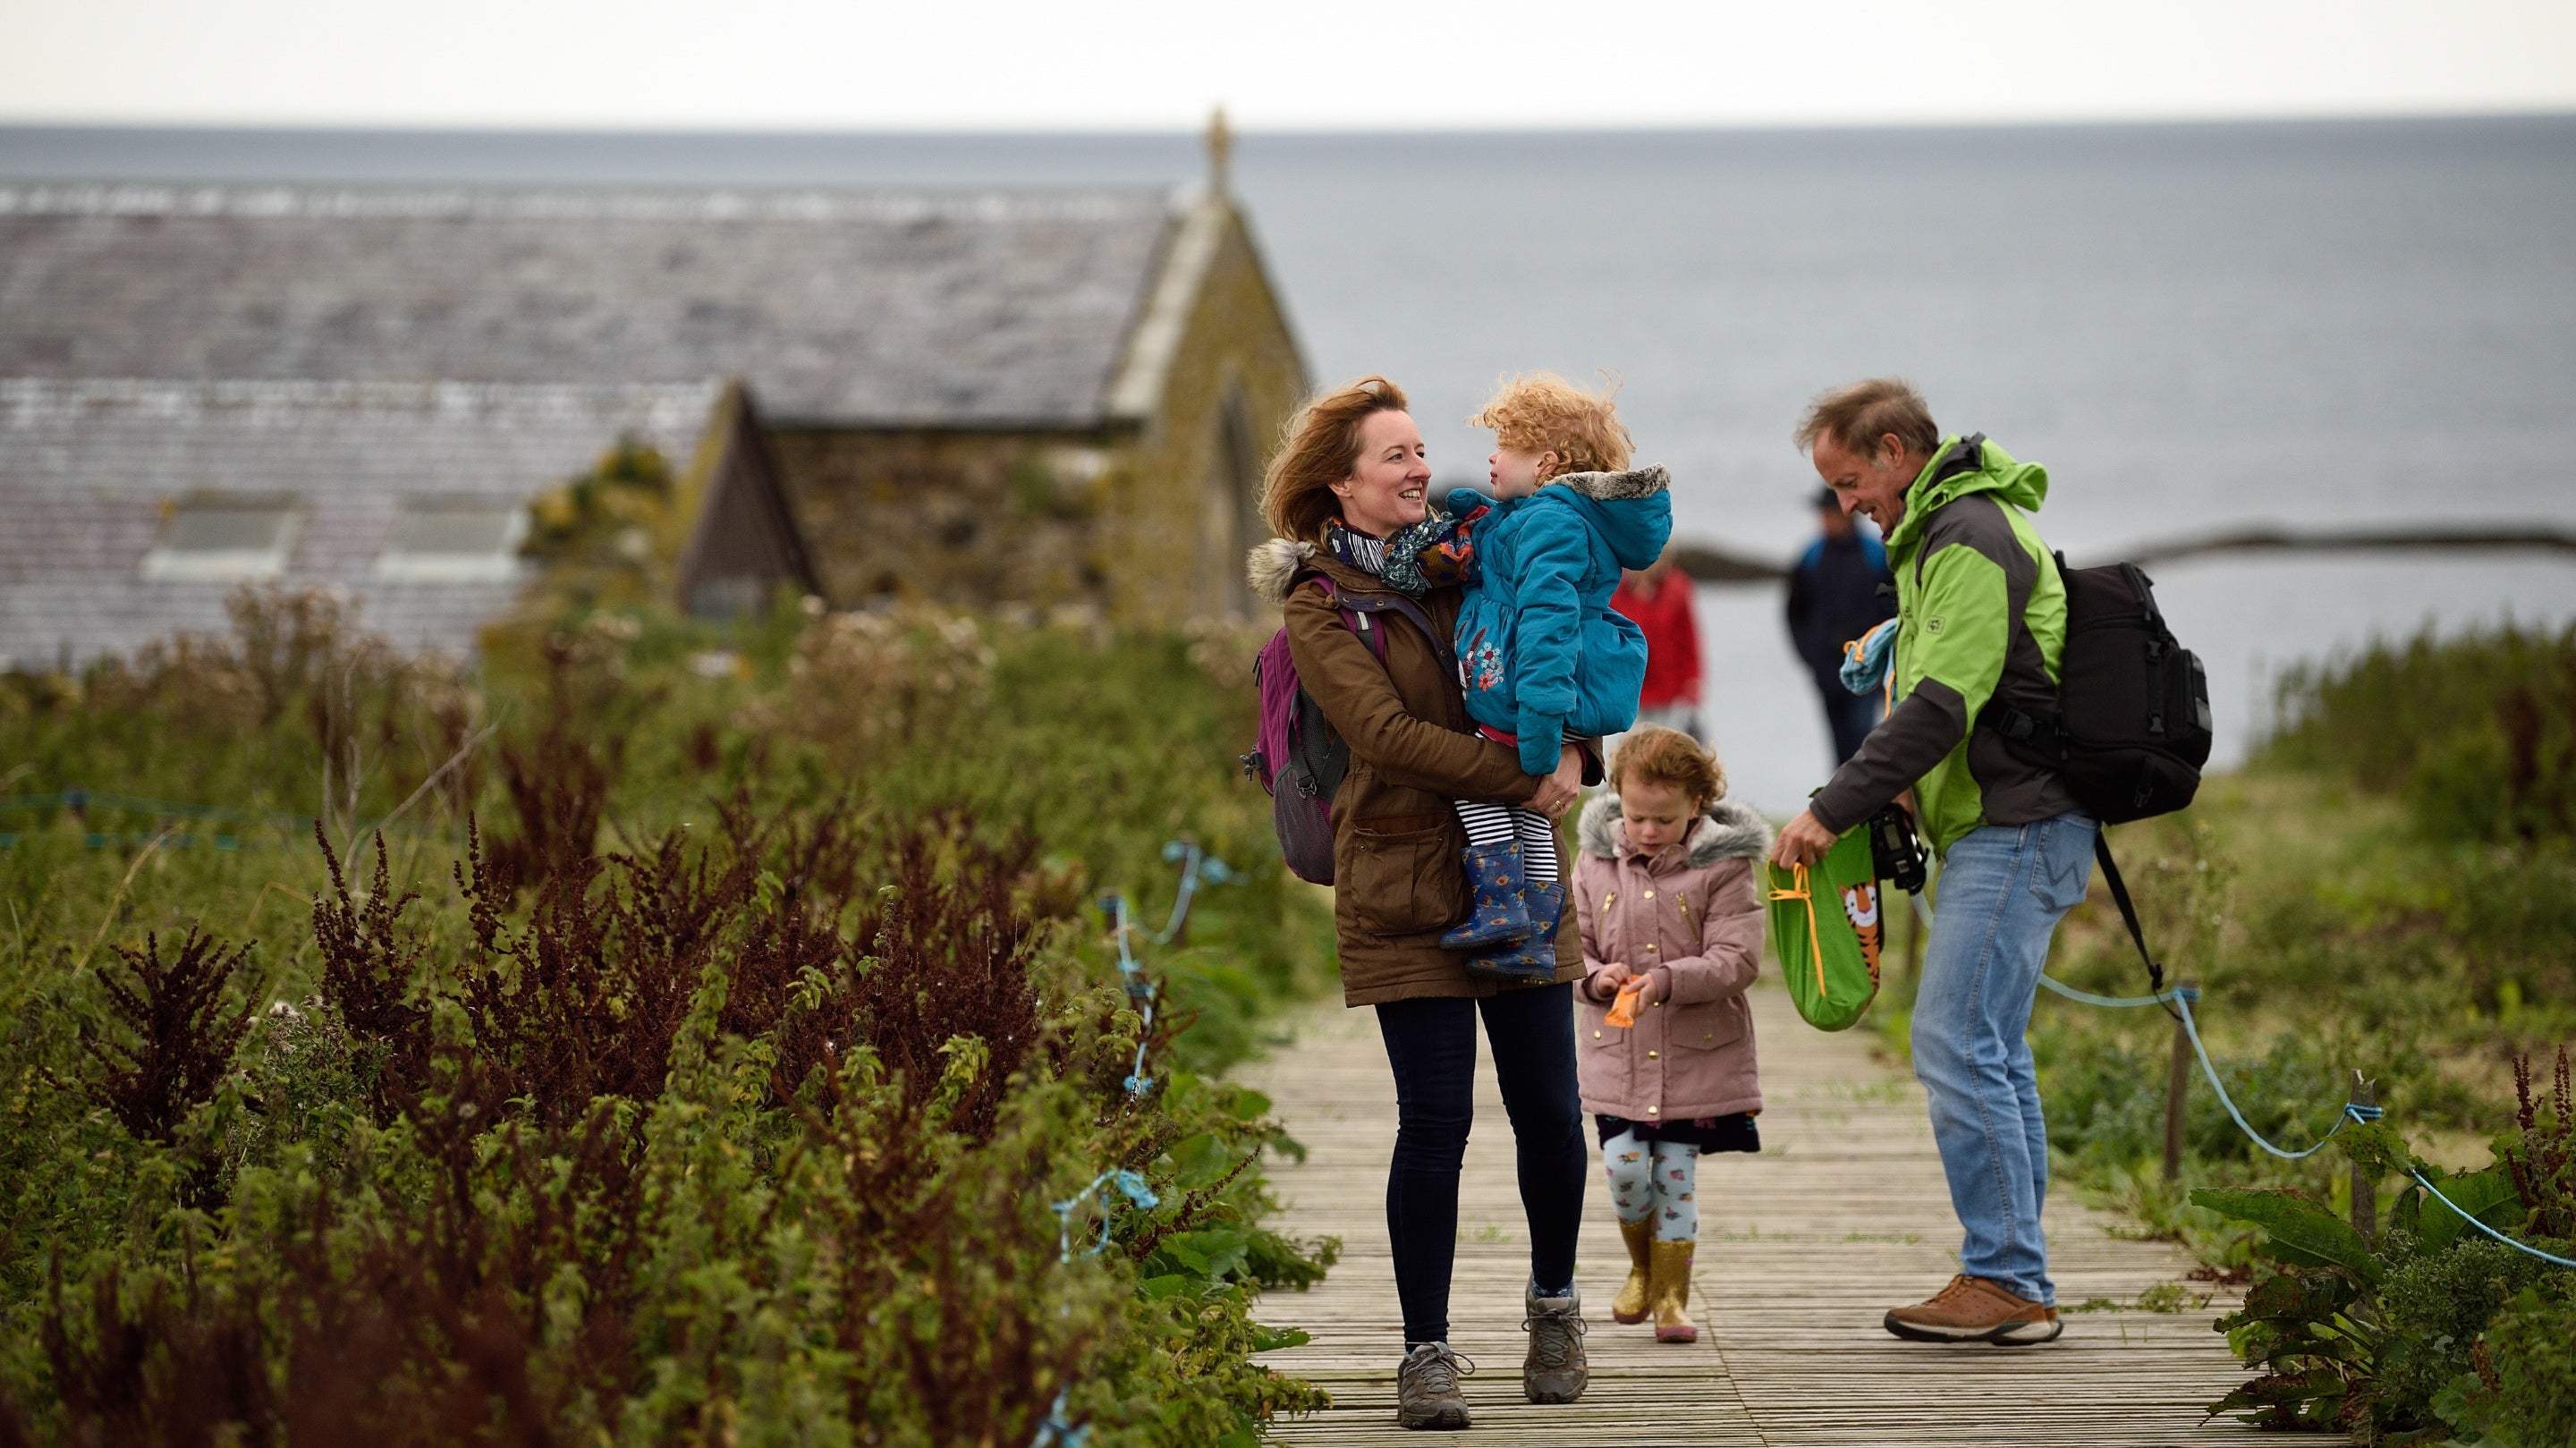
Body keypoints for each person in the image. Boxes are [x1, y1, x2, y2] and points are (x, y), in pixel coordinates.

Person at [1245, 377, 1594, 1428]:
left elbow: (1558, 648)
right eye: (1393, 454)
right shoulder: (1319, 603)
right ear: (1340, 483)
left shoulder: (1478, 554)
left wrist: (1580, 745)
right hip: (1402, 879)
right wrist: (1524, 774)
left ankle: (1554, 1306)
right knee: (1434, 1122)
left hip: (1520, 867)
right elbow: (1386, 736)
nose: (1417, 467)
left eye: (1417, 449)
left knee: (1548, 1110)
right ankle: (1426, 1350)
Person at [1768, 377, 2091, 1347]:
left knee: (1954, 1038)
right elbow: (1958, 698)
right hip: (2005, 821)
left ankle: (2005, 1277)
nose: (1845, 503)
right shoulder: (1935, 539)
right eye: (1832, 487)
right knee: (1990, 1045)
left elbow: (1944, 701)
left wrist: (1833, 807)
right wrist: (1904, 789)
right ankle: (2016, 1271)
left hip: (2020, 824)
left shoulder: (1969, 539)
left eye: (1851, 478)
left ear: (1899, 451)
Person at [1390, 373, 1672, 979]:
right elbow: (1506, 568)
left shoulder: (1553, 522)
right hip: (1520, 693)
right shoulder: (1538, 517)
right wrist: (1477, 517)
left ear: (1545, 462)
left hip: (1525, 699)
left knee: (1484, 789)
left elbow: (1548, 627)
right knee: (1529, 814)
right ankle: (1537, 932)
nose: (1491, 455)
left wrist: (1546, 737)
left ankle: (1501, 905)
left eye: (1505, 446)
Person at [1571, 725, 1768, 1346]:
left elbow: (1737, 958)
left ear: (1696, 806)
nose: (1648, 831)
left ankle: (1673, 1298)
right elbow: (1568, 945)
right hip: (1617, 1055)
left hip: (1693, 1056)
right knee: (1626, 1170)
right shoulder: (1594, 860)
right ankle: (1641, 1266)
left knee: (1675, 1176)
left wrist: (1665, 979)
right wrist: (1599, 977)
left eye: (1664, 818)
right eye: (1636, 817)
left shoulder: (1724, 866)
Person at [1784, 486, 1895, 764]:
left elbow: (1893, 608)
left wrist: (1882, 656)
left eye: (1829, 513)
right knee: (1838, 741)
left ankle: (1863, 798)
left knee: (1863, 736)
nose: (1825, 520)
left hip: (1866, 665)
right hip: (1826, 667)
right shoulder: (1811, 555)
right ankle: (1844, 801)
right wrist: (1810, 656)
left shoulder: (1874, 553)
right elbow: (1794, 613)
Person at [1610, 552, 1704, 741]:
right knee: (1625, 749)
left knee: (1665, 750)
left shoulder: (1677, 589)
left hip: (1667, 691)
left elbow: (1689, 640)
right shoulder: (1616, 590)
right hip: (1628, 690)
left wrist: (1693, 683)